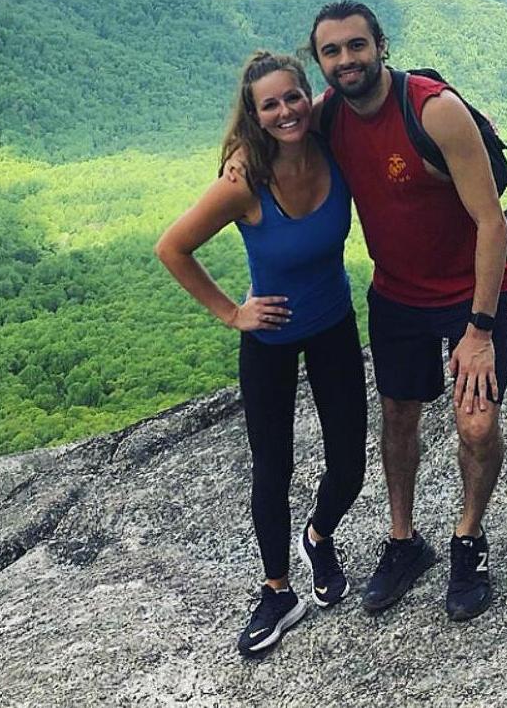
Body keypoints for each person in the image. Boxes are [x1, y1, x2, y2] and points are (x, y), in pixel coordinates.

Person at [309, 1, 507, 622]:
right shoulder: (328, 119)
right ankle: (404, 541)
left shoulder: (432, 111)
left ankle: (469, 539)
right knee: (399, 418)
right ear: (319, 61)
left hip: (469, 295)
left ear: (381, 46)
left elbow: (491, 222)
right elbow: (272, 148)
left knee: (475, 424)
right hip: (397, 295)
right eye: (331, 51)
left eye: (356, 46)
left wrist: (478, 330)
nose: (346, 60)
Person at [155, 51, 367, 659]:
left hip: (333, 324)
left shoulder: (330, 139)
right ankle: (278, 590)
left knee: (349, 461)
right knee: (272, 470)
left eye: (292, 98)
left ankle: (319, 535)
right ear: (254, 114)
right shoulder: (244, 178)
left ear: (310, 97)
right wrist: (232, 312)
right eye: (269, 104)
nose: (284, 111)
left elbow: (373, 96)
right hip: (269, 339)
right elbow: (172, 247)